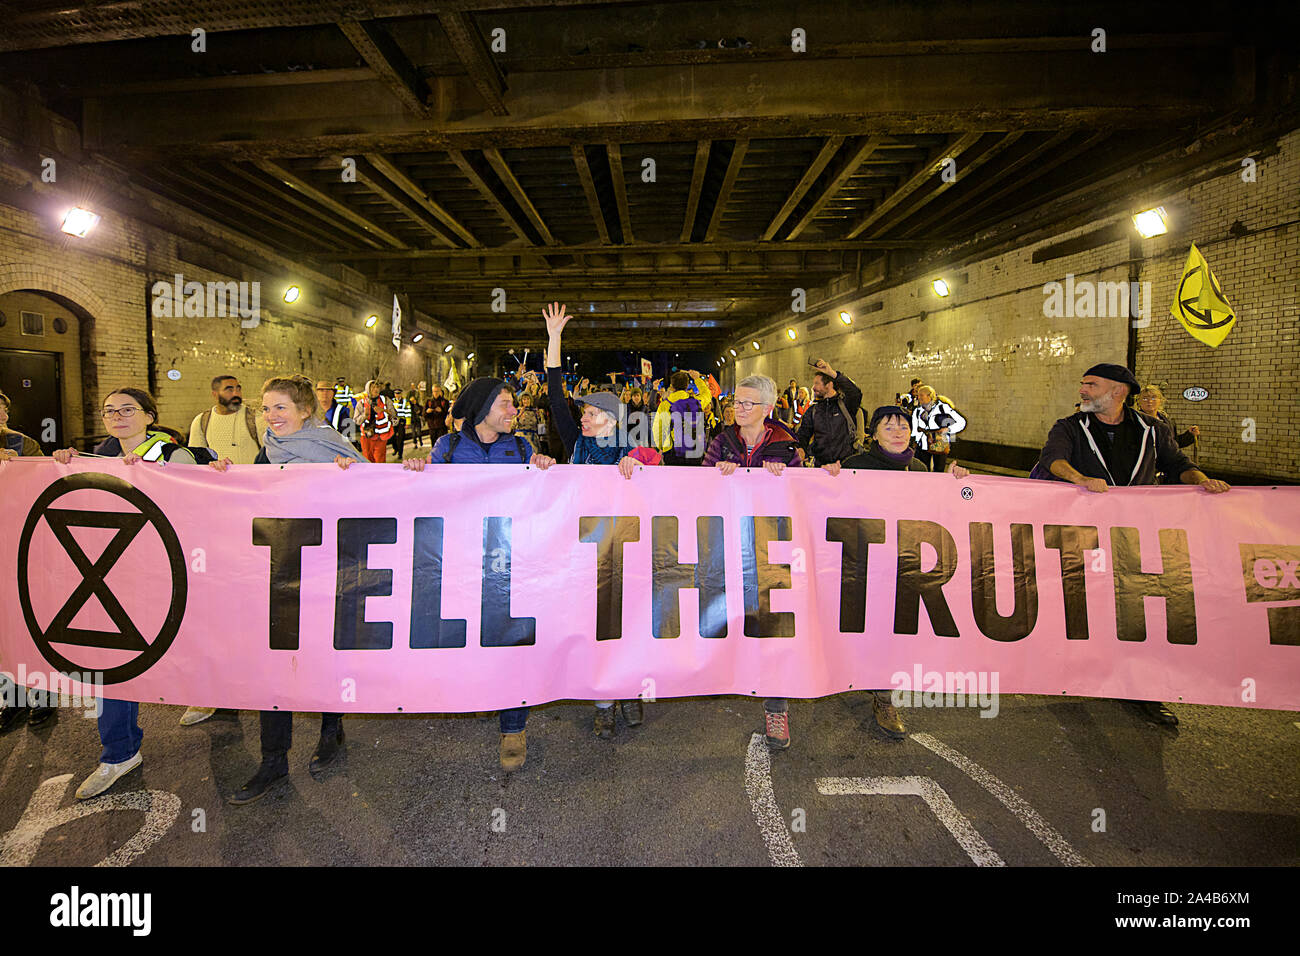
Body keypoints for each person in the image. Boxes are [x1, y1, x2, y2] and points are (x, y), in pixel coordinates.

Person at [1034, 363, 1230, 727]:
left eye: (1091, 385)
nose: (1083, 391)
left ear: (1118, 391)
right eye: (1083, 384)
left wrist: (1202, 481)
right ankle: (1077, 673)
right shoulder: (1070, 427)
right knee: (1084, 602)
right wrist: (1081, 479)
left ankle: (1143, 689)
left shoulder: (1153, 430)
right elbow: (1053, 460)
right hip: (1085, 535)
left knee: (1137, 608)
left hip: (1136, 535)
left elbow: (1177, 464)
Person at [780, 406, 973, 748]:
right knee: (853, 625)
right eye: (889, 425)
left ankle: (884, 698)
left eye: (903, 425)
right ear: (873, 433)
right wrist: (828, 476)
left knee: (891, 632)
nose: (898, 431)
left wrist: (955, 484)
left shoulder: (920, 469)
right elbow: (826, 500)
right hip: (860, 563)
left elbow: (943, 510)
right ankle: (842, 674)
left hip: (903, 566)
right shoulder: (855, 465)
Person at [209, 375, 360, 804]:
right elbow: (251, 495)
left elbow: (373, 496)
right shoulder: (268, 450)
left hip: (327, 566)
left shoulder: (333, 447)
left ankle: (331, 730)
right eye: (265, 408)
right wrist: (226, 475)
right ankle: (273, 760)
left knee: (324, 652)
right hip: (277, 569)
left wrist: (353, 479)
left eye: (280, 408)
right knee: (274, 663)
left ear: (305, 410)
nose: (271, 417)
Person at [51, 387, 199, 798]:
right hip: (117, 574)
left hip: (171, 574)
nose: (117, 416)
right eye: (109, 410)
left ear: (149, 416)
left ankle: (210, 695)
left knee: (189, 644)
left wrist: (153, 478)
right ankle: (119, 753)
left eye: (128, 409)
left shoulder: (173, 456)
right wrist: (60, 466)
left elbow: (197, 509)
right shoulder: (96, 457)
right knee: (111, 657)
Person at [404, 376, 556, 770]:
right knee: (465, 636)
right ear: (482, 408)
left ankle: (513, 726)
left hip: (508, 566)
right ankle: (474, 696)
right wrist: (416, 472)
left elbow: (543, 499)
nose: (514, 411)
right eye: (506, 403)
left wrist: (544, 469)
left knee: (510, 642)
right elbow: (427, 497)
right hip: (461, 561)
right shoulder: (448, 448)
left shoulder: (523, 447)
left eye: (513, 404)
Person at [542, 302, 663, 737]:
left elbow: (659, 468)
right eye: (585, 414)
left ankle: (629, 690)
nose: (584, 418)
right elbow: (556, 396)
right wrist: (555, 339)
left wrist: (640, 462)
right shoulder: (575, 442)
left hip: (625, 549)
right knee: (593, 624)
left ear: (611, 418)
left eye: (592, 413)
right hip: (583, 549)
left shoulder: (635, 447)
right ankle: (603, 701)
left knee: (627, 622)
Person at [0, 390, 57, 731]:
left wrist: (15, 469)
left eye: (2, 406)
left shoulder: (23, 445)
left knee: (26, 621)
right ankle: (13, 699)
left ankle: (43, 696)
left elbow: (40, 485)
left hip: (19, 543)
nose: (1, 412)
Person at [796, 359, 863, 466]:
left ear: (829, 384)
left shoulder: (846, 405)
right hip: (822, 468)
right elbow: (803, 434)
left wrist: (832, 373)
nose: (813, 388)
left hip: (846, 467)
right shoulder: (813, 411)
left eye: (817, 383)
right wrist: (800, 448)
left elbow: (855, 392)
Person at [188, 375, 262, 465]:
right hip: (218, 478)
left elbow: (270, 452)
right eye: (229, 390)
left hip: (252, 478)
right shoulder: (201, 421)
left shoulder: (255, 417)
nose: (236, 394)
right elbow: (196, 458)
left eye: (238, 389)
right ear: (215, 394)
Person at [652, 369, 713, 465]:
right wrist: (697, 378)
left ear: (672, 387)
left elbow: (657, 429)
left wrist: (662, 447)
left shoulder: (665, 405)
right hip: (694, 450)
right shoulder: (697, 402)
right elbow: (708, 395)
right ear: (687, 385)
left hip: (673, 451)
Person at [1136, 385, 1199, 475]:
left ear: (1160, 401)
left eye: (1153, 398)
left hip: (1164, 470)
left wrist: (1189, 435)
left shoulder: (1167, 422)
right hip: (1143, 469)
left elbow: (1173, 444)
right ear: (1139, 401)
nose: (1149, 401)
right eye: (1145, 398)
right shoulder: (1134, 421)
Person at [910, 385, 966, 473]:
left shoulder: (943, 408)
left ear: (929, 396)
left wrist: (948, 429)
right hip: (923, 443)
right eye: (918, 395)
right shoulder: (917, 411)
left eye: (921, 395)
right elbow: (914, 430)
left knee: (939, 470)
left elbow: (961, 422)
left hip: (939, 441)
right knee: (922, 469)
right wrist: (914, 442)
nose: (918, 397)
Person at [354, 380, 395, 463]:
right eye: (372, 387)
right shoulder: (361, 403)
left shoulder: (386, 400)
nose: (376, 389)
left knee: (380, 460)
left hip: (381, 437)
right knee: (367, 460)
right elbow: (356, 421)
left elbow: (394, 416)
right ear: (368, 389)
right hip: (366, 437)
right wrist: (365, 415)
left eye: (377, 387)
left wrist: (383, 410)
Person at [0, 390, 44, 458]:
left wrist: (17, 462)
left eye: (5, 411)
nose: (5, 417)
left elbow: (43, 466)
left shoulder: (20, 442)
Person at [316, 380, 357, 448]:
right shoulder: (310, 411)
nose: (325, 393)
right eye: (321, 390)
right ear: (316, 393)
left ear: (333, 393)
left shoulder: (343, 411)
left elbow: (349, 438)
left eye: (328, 390)